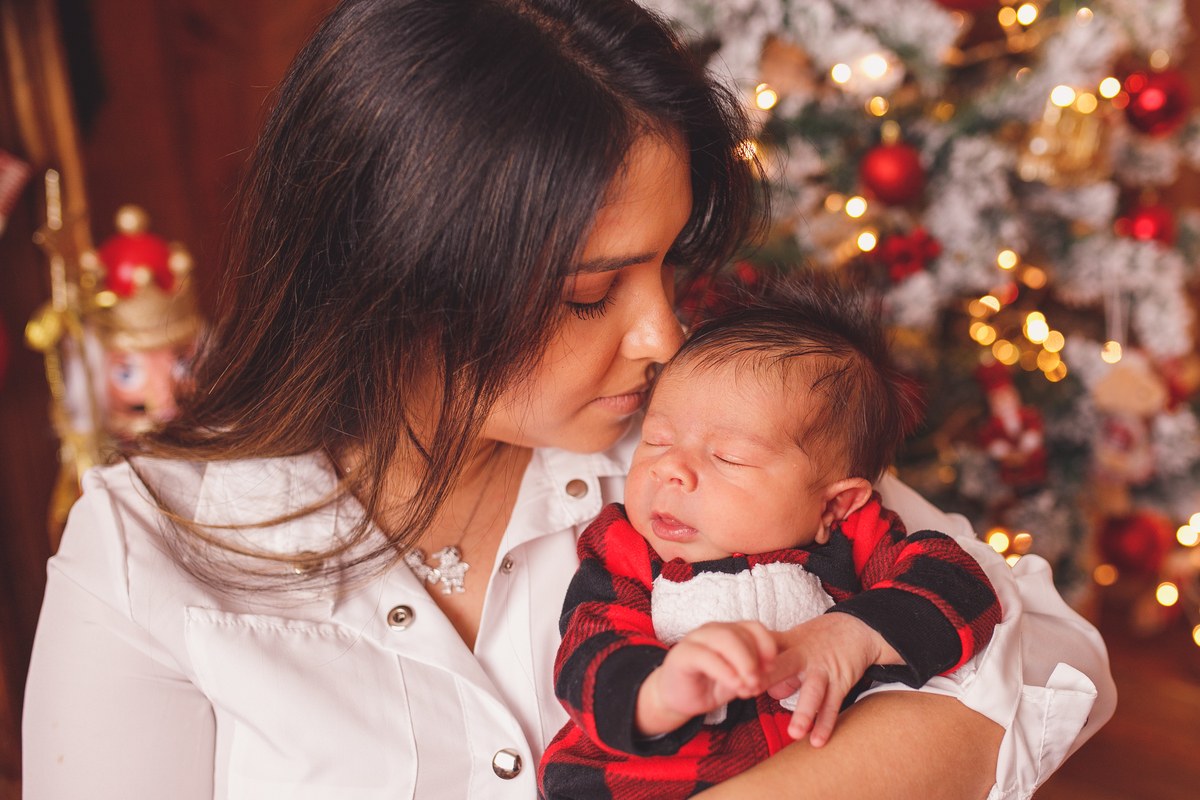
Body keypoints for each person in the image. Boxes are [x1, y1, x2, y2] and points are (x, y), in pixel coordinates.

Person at [22, 1, 1114, 798]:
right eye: (591, 294)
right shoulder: (148, 547)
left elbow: (1048, 657)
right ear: (400, 277)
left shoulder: (690, 454)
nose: (664, 336)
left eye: (667, 266)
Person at [539, 287, 1003, 800]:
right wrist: (662, 690)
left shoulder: (854, 539)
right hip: (638, 785)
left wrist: (855, 634)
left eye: (729, 457)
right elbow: (586, 653)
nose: (668, 469)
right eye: (657, 439)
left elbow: (965, 589)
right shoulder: (623, 549)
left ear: (833, 506)